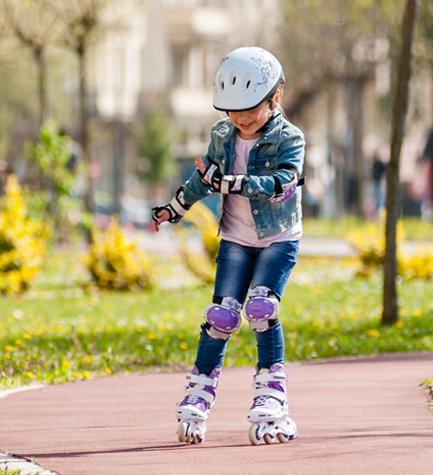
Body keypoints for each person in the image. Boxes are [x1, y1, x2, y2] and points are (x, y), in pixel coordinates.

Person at [149, 47, 303, 446]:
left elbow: (283, 184)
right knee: (221, 316)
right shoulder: (222, 135)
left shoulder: (291, 139)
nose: (241, 119)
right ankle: (198, 395)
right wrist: (174, 208)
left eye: (250, 109)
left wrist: (235, 183)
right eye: (233, 111)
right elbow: (205, 180)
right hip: (236, 237)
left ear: (275, 98)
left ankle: (272, 398)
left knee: (262, 308)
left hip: (277, 238)